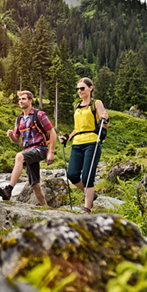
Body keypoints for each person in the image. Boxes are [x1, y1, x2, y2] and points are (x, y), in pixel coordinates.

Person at [0, 90, 57, 206]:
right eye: (19, 99)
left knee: (19, 156)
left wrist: (51, 152)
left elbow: (52, 133)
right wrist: (10, 136)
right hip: (28, 152)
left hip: (40, 149)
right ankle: (46, 208)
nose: (21, 101)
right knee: (35, 185)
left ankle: (8, 189)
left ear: (30, 100)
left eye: (23, 99)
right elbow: (16, 139)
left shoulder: (39, 115)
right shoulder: (18, 119)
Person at [60, 77, 109, 213]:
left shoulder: (96, 103)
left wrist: (105, 119)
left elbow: (104, 125)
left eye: (82, 88)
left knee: (88, 176)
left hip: (92, 142)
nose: (79, 91)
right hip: (77, 143)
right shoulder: (76, 106)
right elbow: (77, 128)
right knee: (72, 175)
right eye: (78, 89)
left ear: (90, 88)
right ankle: (91, 194)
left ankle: (87, 208)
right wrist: (67, 137)